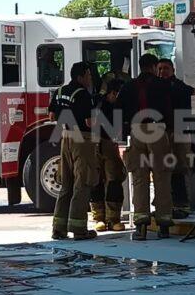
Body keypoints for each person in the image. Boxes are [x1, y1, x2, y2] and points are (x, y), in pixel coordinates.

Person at [119, 53, 175, 241]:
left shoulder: (128, 86)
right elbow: (170, 109)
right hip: (157, 130)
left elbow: (119, 109)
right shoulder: (163, 85)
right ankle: (163, 225)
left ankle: (141, 226)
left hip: (136, 131)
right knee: (162, 176)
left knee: (139, 178)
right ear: (153, 67)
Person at [47, 62, 100, 241]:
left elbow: (52, 116)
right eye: (89, 75)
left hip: (65, 137)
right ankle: (79, 229)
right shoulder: (83, 94)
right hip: (81, 140)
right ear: (81, 76)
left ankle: (58, 229)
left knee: (66, 183)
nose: (90, 78)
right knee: (82, 183)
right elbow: (89, 122)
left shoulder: (59, 91)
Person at [157, 59, 195, 218]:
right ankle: (165, 205)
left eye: (166, 68)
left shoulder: (178, 86)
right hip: (161, 132)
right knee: (163, 170)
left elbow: (189, 90)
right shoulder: (155, 87)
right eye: (159, 69)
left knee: (181, 168)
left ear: (173, 70)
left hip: (180, 132)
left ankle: (182, 204)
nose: (162, 72)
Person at [89, 78, 127, 232]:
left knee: (114, 180)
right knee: (96, 181)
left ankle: (113, 219)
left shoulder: (117, 106)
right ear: (112, 93)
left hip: (109, 144)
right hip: (96, 144)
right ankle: (99, 218)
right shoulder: (97, 103)